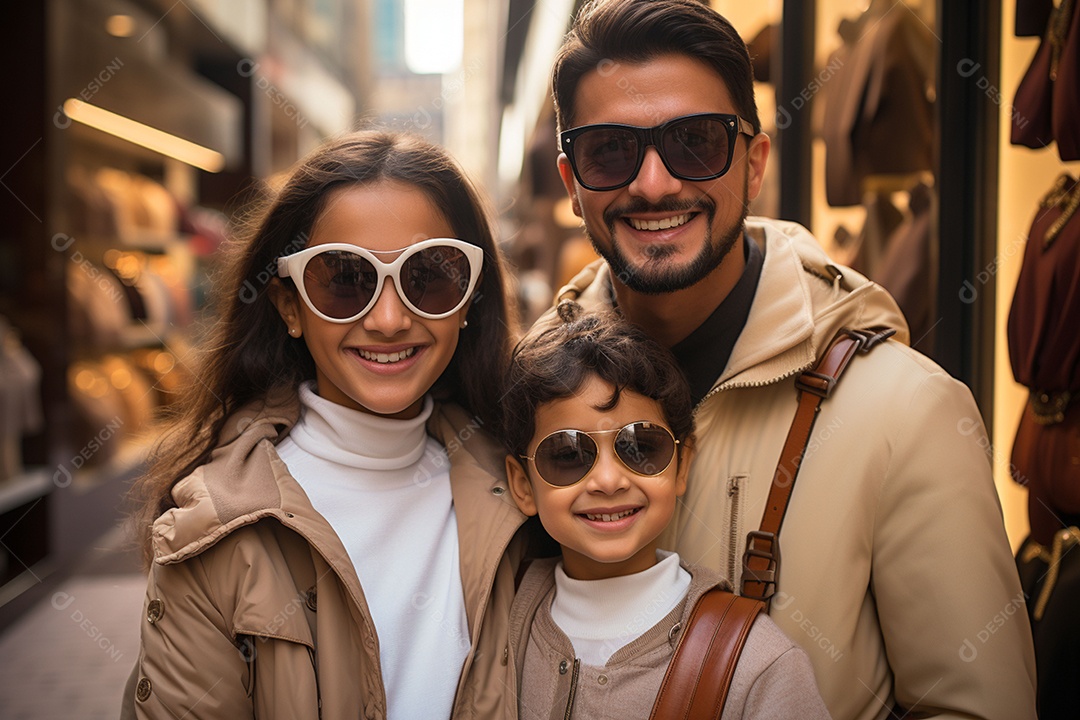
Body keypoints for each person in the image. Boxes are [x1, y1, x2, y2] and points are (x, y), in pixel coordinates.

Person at [535, 1, 1038, 718]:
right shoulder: (522, 404)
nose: (653, 184)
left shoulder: (905, 410)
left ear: (754, 164)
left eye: (697, 142)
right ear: (571, 182)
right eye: (610, 150)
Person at [123, 131, 527, 720]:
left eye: (428, 276)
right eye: (345, 280)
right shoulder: (213, 532)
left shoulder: (531, 490)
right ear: (289, 306)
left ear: (467, 298)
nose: (389, 320)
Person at [500, 302, 832, 719]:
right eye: (568, 454)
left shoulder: (757, 666)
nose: (608, 480)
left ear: (682, 465)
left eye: (639, 447)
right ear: (521, 485)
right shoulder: (493, 632)